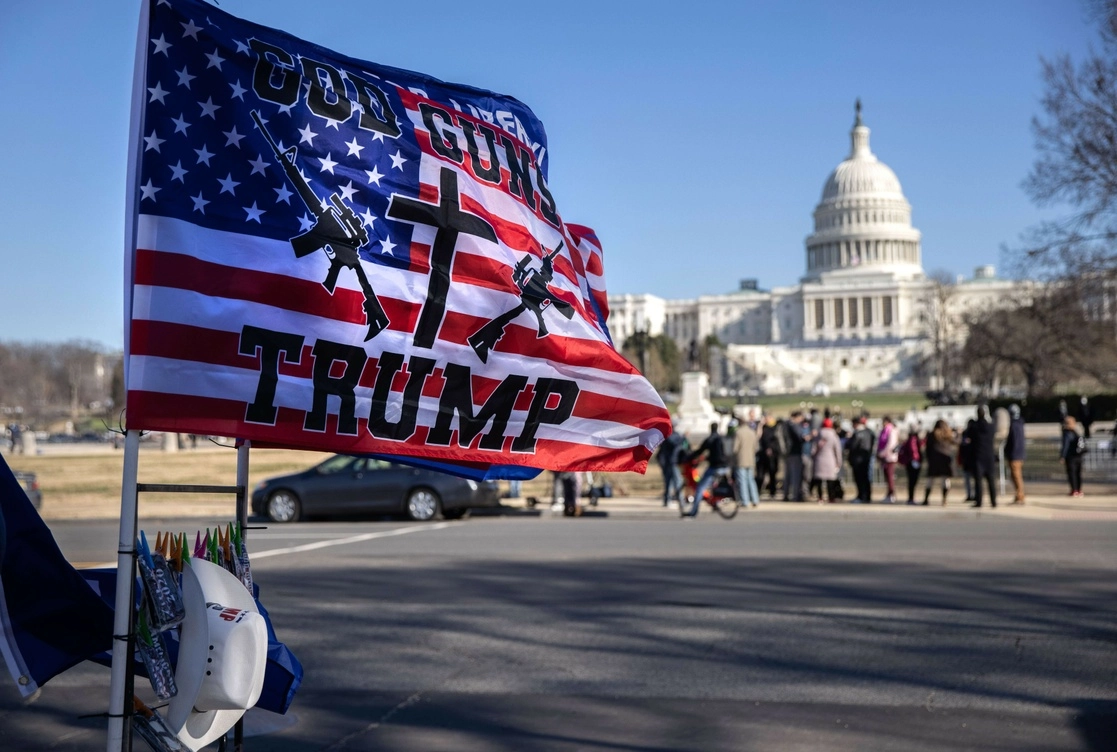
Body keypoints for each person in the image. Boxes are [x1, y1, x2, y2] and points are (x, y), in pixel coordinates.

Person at [684, 422, 730, 517]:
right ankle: (715, 502)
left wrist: (689, 457)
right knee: (715, 485)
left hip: (715, 467)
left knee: (700, 488)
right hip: (725, 466)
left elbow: (700, 450)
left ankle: (694, 511)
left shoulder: (710, 439)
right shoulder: (721, 438)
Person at [922, 420, 957, 505]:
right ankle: (944, 499)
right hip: (945, 460)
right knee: (945, 480)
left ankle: (926, 499)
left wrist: (928, 458)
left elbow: (928, 448)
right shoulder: (948, 435)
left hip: (934, 460)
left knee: (930, 480)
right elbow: (956, 442)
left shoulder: (932, 435)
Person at [971, 405, 998, 508]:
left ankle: (979, 501)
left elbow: (969, 437)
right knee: (991, 481)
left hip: (978, 456)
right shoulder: (991, 427)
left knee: (978, 481)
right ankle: (993, 501)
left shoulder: (974, 427)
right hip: (989, 456)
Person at [811, 418, 843, 502]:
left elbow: (813, 449)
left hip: (819, 459)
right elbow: (837, 450)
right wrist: (839, 462)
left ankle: (820, 497)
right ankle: (831, 497)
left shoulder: (818, 435)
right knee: (830, 480)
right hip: (830, 459)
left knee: (819, 480)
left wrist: (814, 457)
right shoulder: (833, 435)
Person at [731, 419, 760, 508]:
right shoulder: (752, 432)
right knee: (751, 480)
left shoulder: (738, 433)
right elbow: (757, 447)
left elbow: (735, 448)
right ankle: (755, 499)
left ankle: (745, 501)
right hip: (751, 459)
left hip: (741, 459)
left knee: (742, 481)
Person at [656, 426, 688, 508]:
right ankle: (679, 501)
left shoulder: (666, 436)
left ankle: (668, 500)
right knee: (676, 482)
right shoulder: (670, 437)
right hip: (671, 463)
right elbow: (674, 442)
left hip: (670, 462)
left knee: (670, 483)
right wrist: (684, 436)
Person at [846, 415, 875, 503]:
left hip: (858, 459)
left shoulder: (857, 433)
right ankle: (867, 496)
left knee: (859, 479)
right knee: (866, 478)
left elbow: (852, 446)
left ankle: (861, 496)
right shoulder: (869, 432)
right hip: (866, 458)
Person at [1004, 404, 1026, 505]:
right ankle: (1018, 495)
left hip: (1015, 454)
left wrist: (1009, 451)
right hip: (1018, 453)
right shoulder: (1020, 424)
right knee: (1015, 476)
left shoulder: (1015, 425)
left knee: (1017, 476)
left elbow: (1014, 441)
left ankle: (1020, 496)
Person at [1060, 415, 1086, 497]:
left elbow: (1066, 445)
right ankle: (1079, 490)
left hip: (1071, 457)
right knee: (1078, 474)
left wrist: (1062, 456)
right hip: (1079, 456)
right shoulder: (1076, 432)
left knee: (1072, 474)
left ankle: (1074, 490)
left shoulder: (1066, 433)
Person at [782, 412, 805, 501]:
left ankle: (786, 494)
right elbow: (800, 437)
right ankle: (795, 495)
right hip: (795, 453)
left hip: (787, 453)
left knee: (787, 475)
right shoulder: (794, 426)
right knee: (796, 475)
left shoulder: (785, 425)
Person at [898, 424, 924, 504]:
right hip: (913, 462)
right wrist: (915, 460)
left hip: (911, 462)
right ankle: (911, 498)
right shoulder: (913, 440)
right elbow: (914, 451)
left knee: (911, 481)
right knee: (912, 481)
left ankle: (911, 497)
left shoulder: (912, 439)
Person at [876, 416, 899, 503]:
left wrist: (883, 453)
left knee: (890, 476)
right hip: (884, 457)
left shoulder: (891, 430)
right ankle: (889, 493)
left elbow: (890, 444)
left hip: (890, 457)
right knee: (887, 476)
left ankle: (892, 494)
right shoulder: (883, 431)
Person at [757, 417, 781, 498]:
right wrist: (760, 425)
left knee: (772, 474)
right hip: (763, 455)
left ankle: (772, 491)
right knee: (761, 474)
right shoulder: (763, 428)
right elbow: (759, 437)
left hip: (772, 455)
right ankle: (758, 490)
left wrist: (771, 449)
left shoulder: (775, 428)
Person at [959, 419, 977, 501]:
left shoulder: (971, 434)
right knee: (970, 480)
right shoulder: (966, 434)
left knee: (970, 480)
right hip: (969, 460)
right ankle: (971, 494)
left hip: (970, 459)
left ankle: (972, 494)